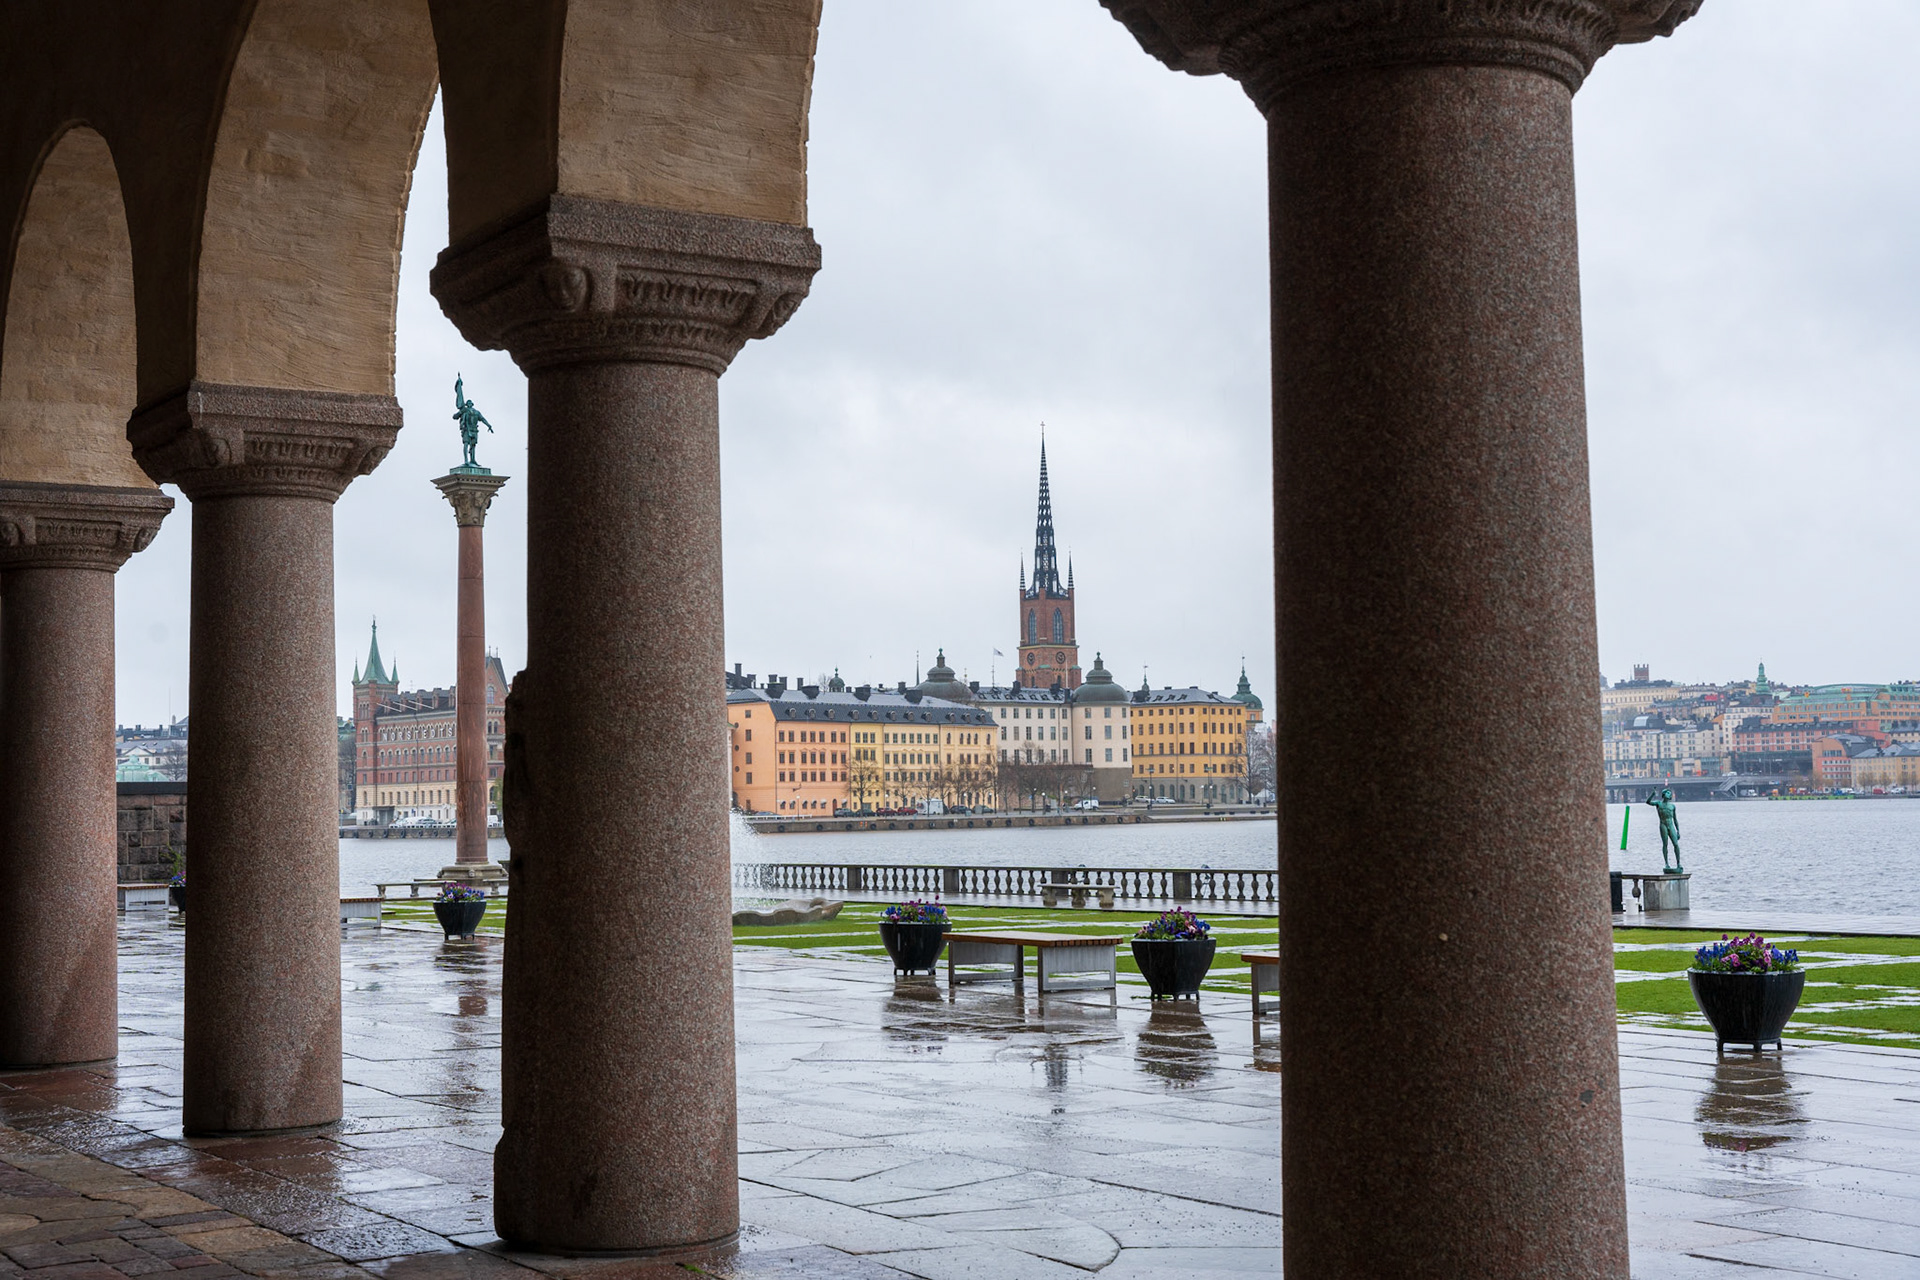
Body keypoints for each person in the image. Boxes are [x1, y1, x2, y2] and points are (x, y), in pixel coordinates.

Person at [1644, 787, 1682, 873]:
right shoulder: (1659, 803)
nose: (1669, 794)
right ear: (1663, 794)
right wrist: (1652, 794)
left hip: (1671, 825)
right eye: (1667, 793)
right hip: (1663, 825)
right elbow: (1648, 802)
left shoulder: (1672, 806)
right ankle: (1666, 863)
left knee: (1676, 844)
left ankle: (1678, 863)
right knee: (1665, 844)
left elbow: (1675, 819)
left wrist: (1678, 831)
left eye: (1669, 793)